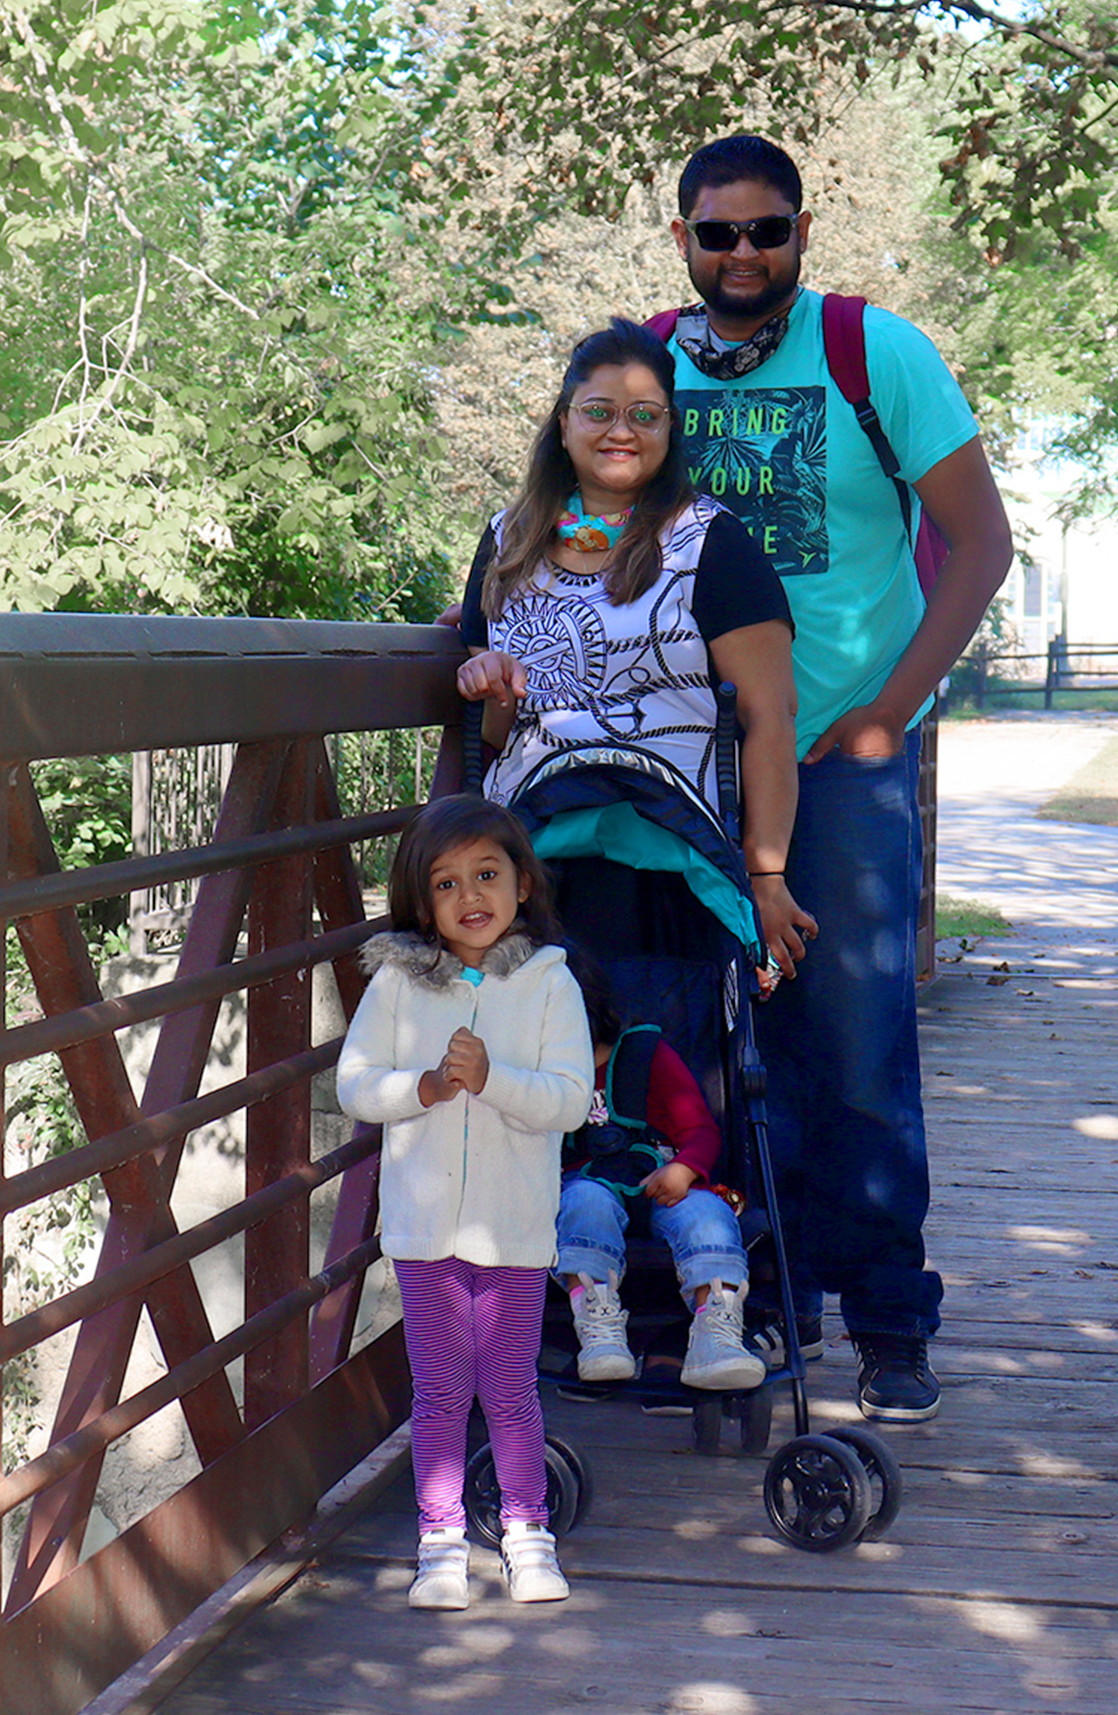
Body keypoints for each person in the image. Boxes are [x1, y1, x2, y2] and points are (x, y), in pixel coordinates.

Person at [653, 133, 1014, 1424]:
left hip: (836, 768)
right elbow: (578, 527)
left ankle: (886, 1320)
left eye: (767, 230)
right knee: (689, 1041)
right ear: (683, 240)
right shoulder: (645, 364)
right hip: (679, 767)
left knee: (852, 1044)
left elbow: (981, 543)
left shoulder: (878, 354)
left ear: (803, 232)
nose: (742, 253)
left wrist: (887, 714)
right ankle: (739, 1303)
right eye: (717, 233)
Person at [449, 321, 812, 1395]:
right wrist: (494, 691)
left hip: (670, 855)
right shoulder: (511, 538)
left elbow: (770, 719)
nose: (620, 429)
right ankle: (554, 1292)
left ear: (670, 429)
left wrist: (768, 874)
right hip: (537, 859)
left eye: (645, 412)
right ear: (562, 420)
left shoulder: (711, 542)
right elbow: (495, 732)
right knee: (533, 1066)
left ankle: (712, 1296)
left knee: (683, 1063)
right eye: (598, 408)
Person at [334, 796, 590, 1611]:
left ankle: (527, 1533)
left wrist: (493, 1082)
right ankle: (439, 1542)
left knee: (509, 1387)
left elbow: (569, 1099)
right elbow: (355, 1084)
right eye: (446, 883)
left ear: (522, 882)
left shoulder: (552, 985)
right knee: (440, 1390)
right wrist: (427, 1086)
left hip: (513, 1230)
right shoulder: (399, 986)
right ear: (422, 903)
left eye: (487, 874)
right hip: (422, 1231)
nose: (470, 896)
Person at [553, 1012, 758, 1389]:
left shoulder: (647, 1055)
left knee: (708, 1215)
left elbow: (699, 1129)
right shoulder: (541, 1071)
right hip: (588, 1181)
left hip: (667, 1177)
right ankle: (598, 1327)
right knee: (582, 1203)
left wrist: (685, 1168)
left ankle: (716, 1330)